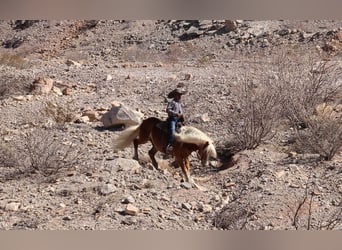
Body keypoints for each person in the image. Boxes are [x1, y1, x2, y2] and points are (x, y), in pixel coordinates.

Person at [165, 87, 186, 153]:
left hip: (179, 119)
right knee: (172, 129)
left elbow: (181, 111)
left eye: (180, 95)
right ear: (175, 95)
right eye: (178, 95)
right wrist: (176, 113)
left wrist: (182, 115)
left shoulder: (179, 103)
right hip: (172, 119)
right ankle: (170, 144)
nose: (180, 96)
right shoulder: (172, 102)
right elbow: (168, 110)